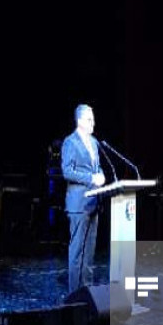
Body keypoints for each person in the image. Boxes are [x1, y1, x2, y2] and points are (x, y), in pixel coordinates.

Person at [62, 104, 105, 294]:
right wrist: (91, 178)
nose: (93, 122)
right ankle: (73, 295)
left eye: (93, 119)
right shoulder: (70, 142)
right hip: (78, 204)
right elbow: (67, 171)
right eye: (89, 119)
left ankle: (87, 293)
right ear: (79, 121)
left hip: (93, 203)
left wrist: (101, 175)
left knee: (89, 253)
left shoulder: (94, 142)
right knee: (77, 252)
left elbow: (97, 169)